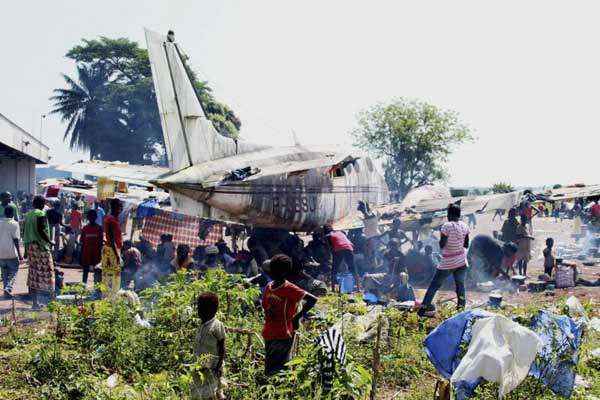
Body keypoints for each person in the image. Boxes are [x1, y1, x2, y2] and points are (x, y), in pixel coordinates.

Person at [262, 254, 317, 375]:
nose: (271, 272)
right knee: (271, 367)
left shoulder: (289, 288)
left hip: (283, 333)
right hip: (269, 332)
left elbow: (312, 299)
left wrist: (297, 317)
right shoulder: (269, 287)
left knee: (278, 370)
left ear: (282, 273)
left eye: (274, 270)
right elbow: (266, 308)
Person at [418, 204, 469, 316]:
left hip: (448, 262)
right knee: (460, 285)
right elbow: (466, 244)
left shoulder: (446, 226)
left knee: (434, 285)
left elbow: (442, 245)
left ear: (448, 214)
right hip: (462, 261)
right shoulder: (464, 226)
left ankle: (423, 308)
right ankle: (461, 309)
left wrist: (443, 243)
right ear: (459, 214)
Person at [192, 292, 226, 400]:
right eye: (198, 309)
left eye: (201, 309)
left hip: (213, 366)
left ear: (212, 311)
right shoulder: (202, 325)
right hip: (201, 366)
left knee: (213, 390)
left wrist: (219, 365)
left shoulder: (217, 325)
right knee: (201, 389)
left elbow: (222, 346)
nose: (199, 312)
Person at [23, 195, 54, 309]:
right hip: (41, 247)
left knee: (33, 274)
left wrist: (26, 250)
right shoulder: (40, 213)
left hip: (31, 248)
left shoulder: (28, 215)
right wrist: (49, 241)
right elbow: (41, 229)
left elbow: (24, 232)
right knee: (49, 273)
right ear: (42, 204)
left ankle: (35, 303)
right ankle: (52, 302)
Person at [323, 225, 360, 292]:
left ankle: (333, 289)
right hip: (349, 248)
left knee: (334, 270)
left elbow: (330, 248)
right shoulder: (340, 232)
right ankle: (358, 288)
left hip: (339, 249)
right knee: (353, 269)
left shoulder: (328, 235)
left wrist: (332, 259)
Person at [102, 198, 123, 299]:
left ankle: (111, 296)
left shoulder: (114, 219)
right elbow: (111, 239)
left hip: (112, 250)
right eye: (119, 207)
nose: (121, 209)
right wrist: (117, 254)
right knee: (111, 275)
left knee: (112, 275)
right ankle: (110, 297)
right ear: (114, 208)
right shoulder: (110, 220)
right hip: (111, 251)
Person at [0, 206, 23, 298]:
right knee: (14, 271)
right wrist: (20, 255)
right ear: (12, 214)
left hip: (1, 253)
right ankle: (8, 288)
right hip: (11, 252)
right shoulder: (14, 224)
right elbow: (16, 240)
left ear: (4, 213)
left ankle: (6, 290)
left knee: (4, 273)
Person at [80, 209, 103, 287]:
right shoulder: (85, 228)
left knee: (97, 271)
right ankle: (83, 287)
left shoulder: (99, 228)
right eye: (90, 217)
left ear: (96, 217)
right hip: (86, 254)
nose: (92, 218)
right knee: (85, 271)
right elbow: (82, 242)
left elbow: (101, 243)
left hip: (96, 254)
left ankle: (97, 288)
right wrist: (81, 255)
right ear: (88, 218)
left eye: (93, 217)